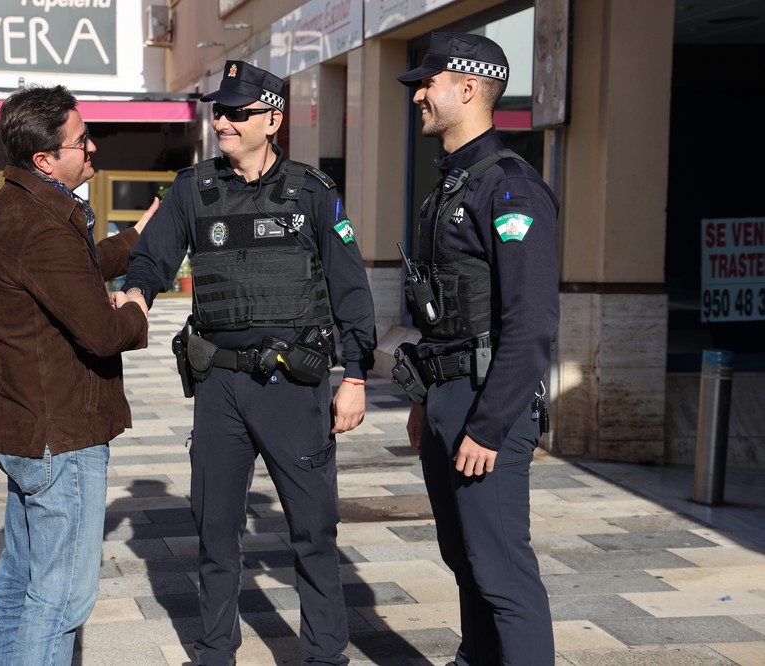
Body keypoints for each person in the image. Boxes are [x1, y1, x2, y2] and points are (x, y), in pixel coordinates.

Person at [119, 60, 376, 666]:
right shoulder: (191, 189)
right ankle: (214, 653)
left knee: (313, 533)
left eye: (238, 112)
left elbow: (351, 288)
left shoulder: (312, 193)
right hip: (220, 386)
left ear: (274, 119)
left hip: (293, 383)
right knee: (214, 534)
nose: (223, 122)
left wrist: (356, 377)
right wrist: (137, 291)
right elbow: (153, 257)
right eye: (219, 111)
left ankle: (323, 655)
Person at [0, 85, 157, 666]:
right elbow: (101, 332)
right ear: (45, 160)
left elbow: (65, 277)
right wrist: (133, 309)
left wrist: (131, 241)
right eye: (82, 141)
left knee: (19, 583)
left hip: (27, 432)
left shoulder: (20, 209)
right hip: (62, 441)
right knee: (60, 602)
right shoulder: (44, 226)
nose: (92, 147)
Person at [396, 33, 558, 666]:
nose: (417, 97)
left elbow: (532, 323)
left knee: (502, 572)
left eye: (426, 85)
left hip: (490, 404)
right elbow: (443, 319)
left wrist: (487, 427)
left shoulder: (509, 188)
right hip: (447, 399)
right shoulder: (448, 189)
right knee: (464, 560)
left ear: (466, 88)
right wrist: (423, 401)